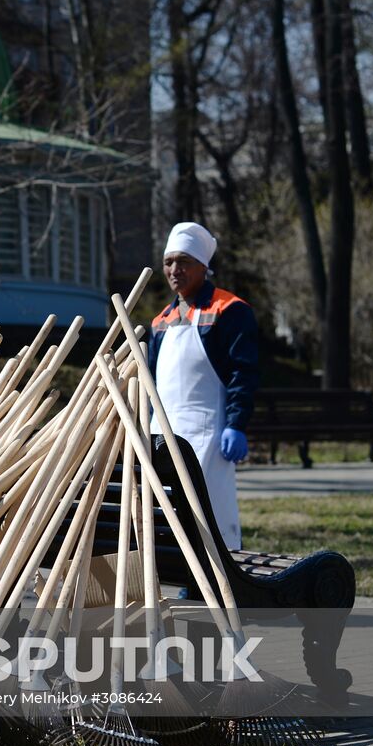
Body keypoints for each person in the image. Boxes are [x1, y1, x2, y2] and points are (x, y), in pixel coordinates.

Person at [148, 222, 258, 551]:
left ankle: (215, 578)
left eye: (183, 261)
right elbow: (153, 381)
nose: (174, 270)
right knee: (166, 514)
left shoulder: (229, 310)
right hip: (163, 432)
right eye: (169, 262)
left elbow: (244, 371)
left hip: (209, 434)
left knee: (210, 512)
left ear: (203, 266)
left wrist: (236, 423)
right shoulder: (160, 322)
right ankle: (181, 573)